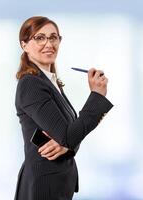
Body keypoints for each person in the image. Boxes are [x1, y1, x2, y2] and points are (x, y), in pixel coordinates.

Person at [14, 16, 113, 200]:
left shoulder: (50, 83)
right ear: (24, 44)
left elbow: (72, 134)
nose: (48, 43)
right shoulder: (31, 84)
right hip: (43, 187)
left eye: (53, 37)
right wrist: (97, 96)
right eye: (40, 38)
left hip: (57, 184)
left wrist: (68, 146)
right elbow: (69, 135)